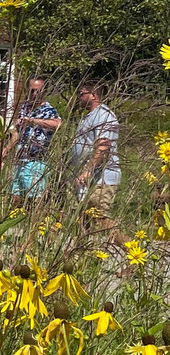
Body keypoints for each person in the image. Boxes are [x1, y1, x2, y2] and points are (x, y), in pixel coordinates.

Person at [71, 82, 122, 242]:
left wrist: (87, 171)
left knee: (100, 221)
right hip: (88, 178)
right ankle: (83, 257)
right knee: (83, 221)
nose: (79, 97)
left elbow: (103, 146)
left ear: (94, 95)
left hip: (101, 177)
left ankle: (133, 252)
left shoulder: (104, 115)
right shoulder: (89, 116)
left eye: (82, 93)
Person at [4, 77, 61, 204]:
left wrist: (33, 121)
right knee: (15, 197)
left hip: (36, 160)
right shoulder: (25, 108)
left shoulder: (49, 110)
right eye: (32, 91)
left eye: (38, 91)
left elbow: (57, 124)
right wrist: (6, 150)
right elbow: (18, 133)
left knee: (33, 199)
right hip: (20, 160)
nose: (35, 94)